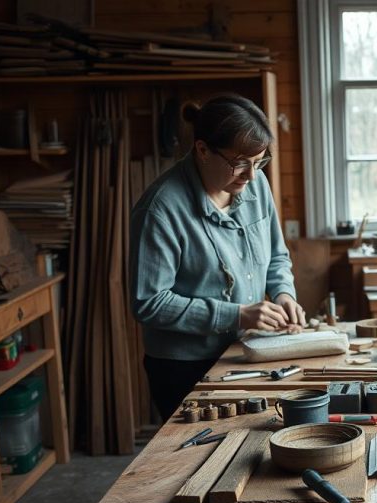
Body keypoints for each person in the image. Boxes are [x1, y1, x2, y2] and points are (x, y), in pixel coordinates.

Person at [129, 95, 305, 420]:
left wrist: (283, 294)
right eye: (240, 162)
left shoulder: (256, 185)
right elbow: (148, 302)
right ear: (202, 150)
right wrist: (236, 314)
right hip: (183, 368)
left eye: (260, 161)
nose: (251, 176)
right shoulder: (161, 210)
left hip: (243, 351)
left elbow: (277, 257)